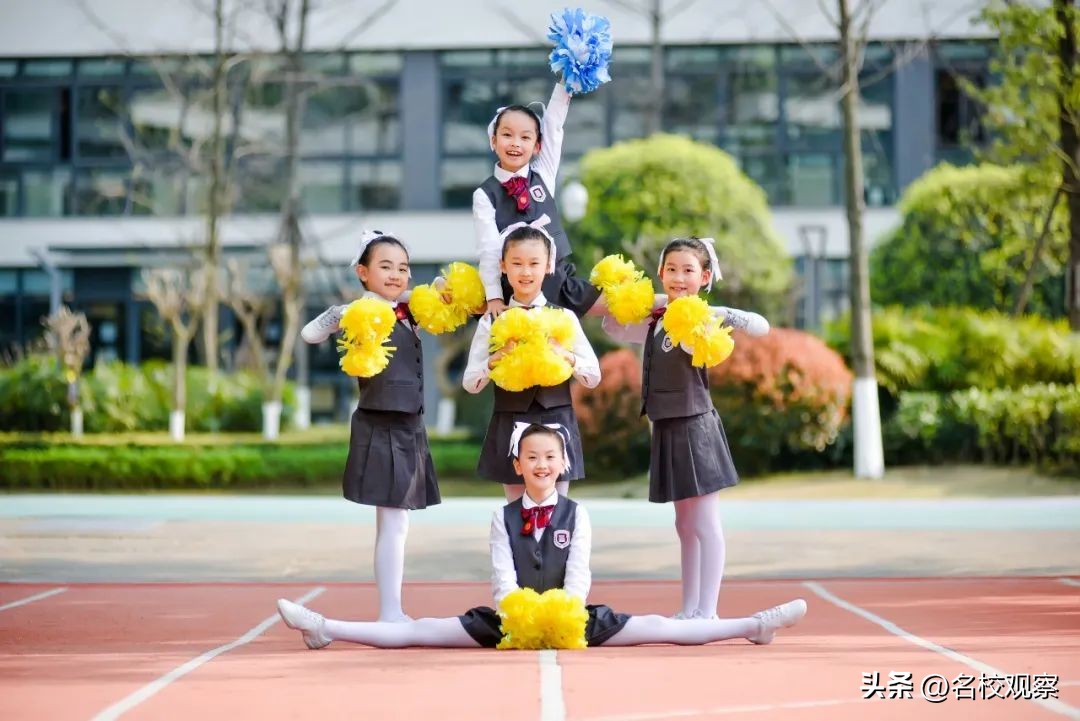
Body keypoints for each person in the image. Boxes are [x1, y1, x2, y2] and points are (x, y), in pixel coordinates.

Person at [276, 423, 807, 650]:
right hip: (511, 620)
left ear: (563, 464)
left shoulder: (579, 514)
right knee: (423, 631)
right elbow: (501, 580)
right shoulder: (500, 518)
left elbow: (579, 578)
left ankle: (753, 625)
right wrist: (518, 613)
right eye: (532, 458)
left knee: (657, 626)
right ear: (518, 464)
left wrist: (563, 613)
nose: (542, 465)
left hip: (571, 617)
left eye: (550, 458)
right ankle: (326, 626)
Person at [603, 236, 770, 621]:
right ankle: (689, 607)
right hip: (665, 428)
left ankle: (707, 610)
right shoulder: (656, 322)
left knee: (705, 522)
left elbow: (761, 327)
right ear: (660, 273)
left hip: (696, 427)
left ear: (705, 276)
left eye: (689, 271)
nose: (679, 278)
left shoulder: (702, 319)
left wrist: (717, 312)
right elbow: (612, 326)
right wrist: (654, 303)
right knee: (683, 523)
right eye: (672, 270)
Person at [298, 230, 439, 623]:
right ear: (363, 272)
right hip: (382, 423)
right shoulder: (360, 312)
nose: (397, 275)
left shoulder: (408, 310)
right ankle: (390, 611)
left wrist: (421, 293)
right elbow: (310, 334)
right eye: (386, 267)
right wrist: (340, 314)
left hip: (410, 423)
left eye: (403, 268)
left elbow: (445, 300)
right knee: (393, 523)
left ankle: (392, 609)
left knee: (400, 523)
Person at [462, 225, 599, 501]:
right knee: (515, 510)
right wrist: (494, 361)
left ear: (548, 265)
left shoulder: (565, 317)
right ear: (503, 266)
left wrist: (566, 355)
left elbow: (593, 375)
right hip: (510, 419)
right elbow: (470, 383)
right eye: (517, 263)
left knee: (556, 510)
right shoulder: (492, 321)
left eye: (534, 263)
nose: (526, 272)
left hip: (557, 422)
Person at [473, 82, 602, 319]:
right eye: (507, 135)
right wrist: (494, 297)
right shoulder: (484, 194)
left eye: (525, 137)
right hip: (513, 291)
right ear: (493, 140)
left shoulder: (543, 172)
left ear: (537, 146)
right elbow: (489, 249)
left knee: (619, 304)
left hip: (558, 282)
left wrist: (566, 83)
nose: (515, 143)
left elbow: (553, 124)